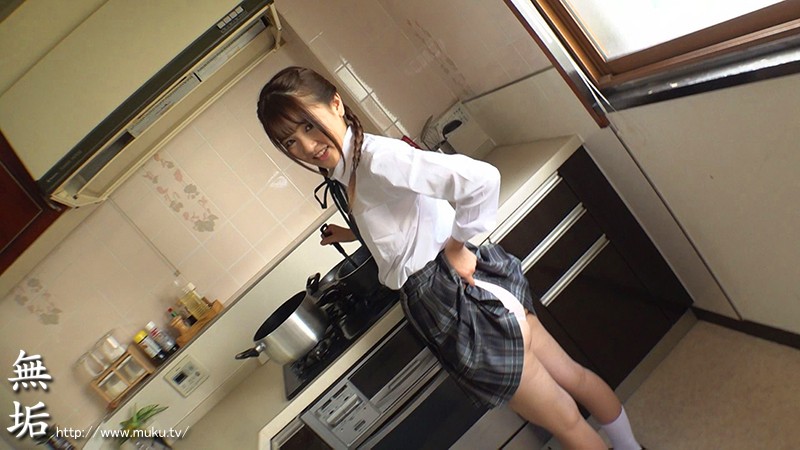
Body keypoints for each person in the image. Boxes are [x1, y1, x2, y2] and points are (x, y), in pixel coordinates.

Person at [257, 66, 643, 450]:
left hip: (461, 307)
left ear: (336, 104)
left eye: (308, 125)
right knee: (574, 379)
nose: (306, 145)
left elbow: (482, 180)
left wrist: (457, 247)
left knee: (566, 422)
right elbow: (400, 223)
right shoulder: (353, 168)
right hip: (475, 296)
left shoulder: (377, 159)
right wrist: (350, 232)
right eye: (290, 141)